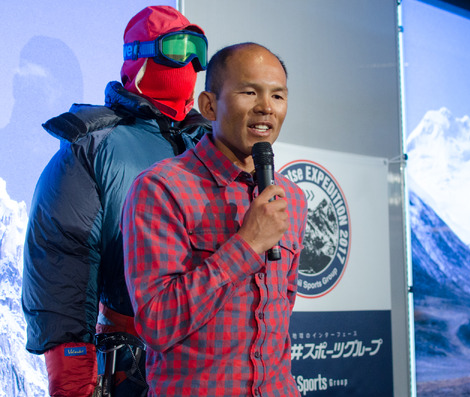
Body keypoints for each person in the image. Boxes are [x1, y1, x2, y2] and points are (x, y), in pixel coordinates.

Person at [21, 6, 210, 396]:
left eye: (198, 51)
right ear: (137, 59)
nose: (189, 62)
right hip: (134, 367)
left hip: (207, 358)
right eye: (177, 48)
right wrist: (72, 372)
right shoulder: (93, 147)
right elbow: (63, 253)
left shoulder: (207, 145)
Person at [121, 42, 308, 396]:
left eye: (278, 96)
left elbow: (281, 313)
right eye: (249, 92)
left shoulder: (292, 199)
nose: (266, 108)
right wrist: (248, 244)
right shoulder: (161, 188)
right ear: (209, 105)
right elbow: (156, 324)